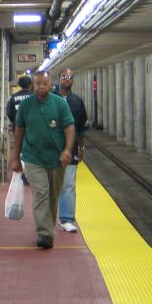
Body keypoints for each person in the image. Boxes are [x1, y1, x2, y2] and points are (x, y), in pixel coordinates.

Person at [10, 71, 76, 249]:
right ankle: (45, 234)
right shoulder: (25, 105)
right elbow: (19, 131)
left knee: (53, 197)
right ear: (33, 85)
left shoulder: (60, 104)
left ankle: (47, 228)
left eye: (45, 83)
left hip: (57, 159)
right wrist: (14, 157)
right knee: (41, 194)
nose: (41, 87)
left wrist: (67, 150)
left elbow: (70, 128)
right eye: (38, 83)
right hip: (33, 158)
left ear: (51, 84)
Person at [55, 69, 88, 233]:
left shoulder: (77, 102)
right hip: (51, 150)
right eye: (64, 77)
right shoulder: (50, 99)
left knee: (68, 185)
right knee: (50, 186)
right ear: (58, 79)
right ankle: (47, 218)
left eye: (70, 77)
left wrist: (81, 147)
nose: (67, 80)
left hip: (71, 149)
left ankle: (66, 219)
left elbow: (81, 128)